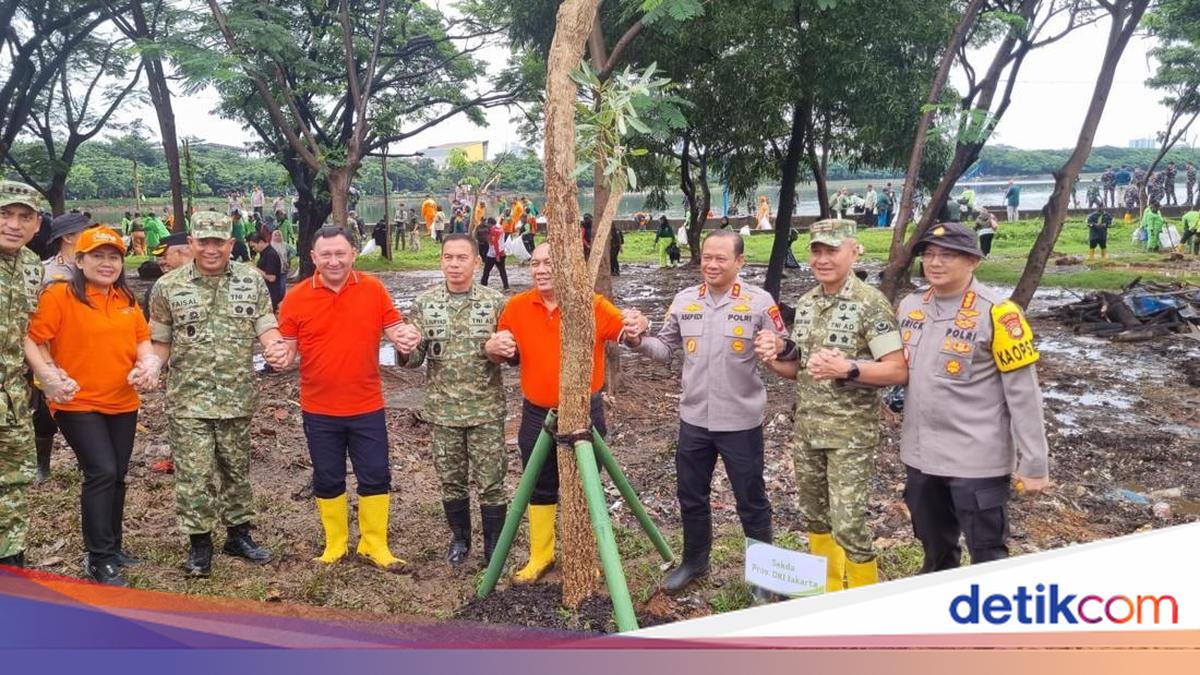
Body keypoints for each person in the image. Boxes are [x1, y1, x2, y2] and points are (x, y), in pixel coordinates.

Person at [624, 230, 785, 599]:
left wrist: (778, 347)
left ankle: (764, 576)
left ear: (739, 262)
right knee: (691, 495)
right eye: (707, 257)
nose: (711, 265)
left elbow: (783, 345)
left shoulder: (760, 303)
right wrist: (636, 341)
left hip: (740, 421)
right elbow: (664, 348)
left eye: (721, 259)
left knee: (751, 500)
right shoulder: (685, 301)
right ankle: (695, 562)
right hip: (694, 419)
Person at [754, 220, 906, 591]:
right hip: (808, 430)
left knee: (849, 524)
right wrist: (773, 355)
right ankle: (829, 591)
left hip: (849, 436)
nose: (822, 259)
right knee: (815, 517)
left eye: (832, 251)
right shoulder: (808, 302)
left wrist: (849, 368)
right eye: (817, 251)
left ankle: (862, 598)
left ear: (854, 251)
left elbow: (898, 370)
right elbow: (801, 370)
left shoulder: (870, 303)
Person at [483, 243, 647, 583]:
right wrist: (493, 349)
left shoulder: (592, 304)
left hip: (584, 411)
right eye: (536, 263)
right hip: (536, 413)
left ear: (568, 266)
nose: (541, 270)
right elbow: (504, 353)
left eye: (550, 262)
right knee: (538, 483)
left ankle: (584, 555)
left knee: (584, 485)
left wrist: (639, 324)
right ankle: (540, 555)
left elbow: (629, 335)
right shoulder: (517, 306)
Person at [898, 221, 1049, 573]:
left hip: (976, 460)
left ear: (973, 261)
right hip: (920, 456)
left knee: (987, 555)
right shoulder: (910, 306)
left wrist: (1034, 463)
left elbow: (1024, 394)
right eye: (929, 254)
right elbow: (897, 368)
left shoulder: (999, 313)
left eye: (947, 255)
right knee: (935, 551)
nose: (935, 263)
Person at [270, 226, 413, 571]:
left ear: (353, 254)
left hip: (367, 405)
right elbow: (286, 348)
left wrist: (406, 336)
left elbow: (395, 328)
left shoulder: (373, 289)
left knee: (375, 474)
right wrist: (278, 357)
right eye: (326, 255)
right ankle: (335, 544)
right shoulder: (296, 297)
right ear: (313, 257)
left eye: (340, 253)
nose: (334, 261)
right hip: (319, 408)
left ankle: (374, 544)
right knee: (328, 476)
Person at [24, 226, 160, 587]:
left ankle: (113, 547)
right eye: (97, 256)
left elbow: (142, 341)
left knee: (117, 473)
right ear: (80, 260)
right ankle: (99, 558)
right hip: (76, 400)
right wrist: (49, 374)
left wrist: (147, 363)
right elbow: (35, 339)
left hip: (122, 400)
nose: (106, 263)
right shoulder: (59, 296)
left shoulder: (125, 299)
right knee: (101, 471)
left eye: (113, 257)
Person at [147, 210, 280, 577]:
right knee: (194, 474)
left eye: (218, 242)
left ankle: (239, 535)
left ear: (230, 243)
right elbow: (160, 341)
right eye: (203, 241)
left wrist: (275, 346)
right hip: (188, 399)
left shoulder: (251, 280)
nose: (210, 249)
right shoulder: (168, 287)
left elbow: (265, 325)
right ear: (191, 243)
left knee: (236, 469)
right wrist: (152, 366)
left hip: (237, 396)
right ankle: (199, 544)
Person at [403, 234, 509, 566]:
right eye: (448, 257)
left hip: (485, 409)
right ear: (441, 261)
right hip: (443, 411)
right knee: (451, 481)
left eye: (462, 258)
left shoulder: (495, 302)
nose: (454, 264)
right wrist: (405, 347)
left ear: (476, 262)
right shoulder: (425, 303)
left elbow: (513, 352)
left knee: (492, 482)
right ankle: (460, 539)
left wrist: (504, 350)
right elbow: (414, 359)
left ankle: (494, 547)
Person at [0, 181, 46, 568]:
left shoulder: (32, 266)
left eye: (23, 217)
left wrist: (47, 373)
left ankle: (11, 562)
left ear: (36, 224)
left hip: (13, 397)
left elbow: (27, 331)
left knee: (14, 481)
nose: (14, 225)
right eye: (4, 214)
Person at [247, 232, 285, 311]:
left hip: (271, 293)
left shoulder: (271, 255)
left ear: (261, 242)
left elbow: (271, 278)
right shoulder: (264, 253)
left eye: (253, 246)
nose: (253, 249)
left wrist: (254, 268)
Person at [480, 217, 509, 291]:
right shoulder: (500, 228)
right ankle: (506, 286)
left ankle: (483, 286)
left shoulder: (493, 230)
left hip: (493, 254)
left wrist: (497, 255)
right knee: (502, 270)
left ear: (490, 223)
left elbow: (495, 243)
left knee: (486, 271)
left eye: (487, 224)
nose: (487, 225)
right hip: (501, 252)